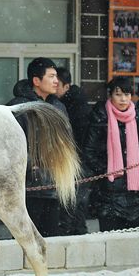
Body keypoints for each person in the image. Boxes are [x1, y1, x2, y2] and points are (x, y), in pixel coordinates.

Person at [6, 57, 68, 237]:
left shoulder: (58, 107)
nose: (56, 81)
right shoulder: (18, 107)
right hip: (27, 186)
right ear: (36, 81)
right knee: (24, 238)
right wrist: (31, 164)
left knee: (52, 238)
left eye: (56, 76)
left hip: (55, 185)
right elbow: (10, 147)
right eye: (51, 76)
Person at [82, 76, 139, 232]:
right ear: (110, 95)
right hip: (109, 193)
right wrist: (106, 172)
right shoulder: (100, 117)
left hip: (135, 192)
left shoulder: (136, 117)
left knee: (135, 241)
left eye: (127, 94)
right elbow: (89, 152)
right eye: (118, 94)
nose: (123, 99)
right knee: (111, 239)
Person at [55, 67, 90, 235]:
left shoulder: (76, 108)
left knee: (73, 207)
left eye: (57, 84)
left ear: (66, 87)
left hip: (76, 163)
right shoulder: (68, 104)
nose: (54, 86)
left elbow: (79, 140)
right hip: (71, 162)